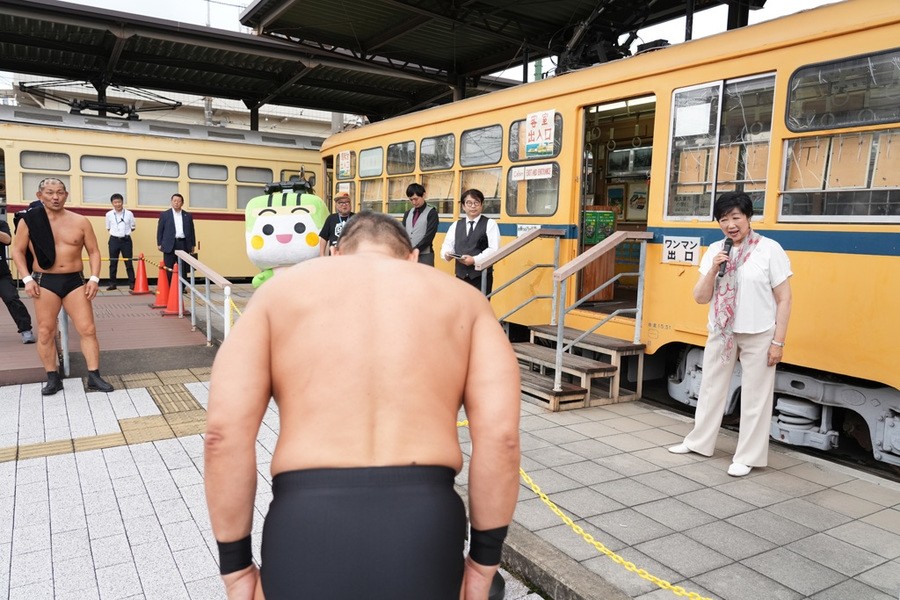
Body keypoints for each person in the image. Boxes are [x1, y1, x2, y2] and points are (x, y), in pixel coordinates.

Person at [204, 211, 521, 600]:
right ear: (411, 258)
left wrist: (236, 568)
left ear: (335, 254)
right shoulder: (466, 301)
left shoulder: (276, 295)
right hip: (425, 526)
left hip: (306, 522)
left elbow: (223, 435)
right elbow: (501, 438)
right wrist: (483, 564)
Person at [668, 191, 792, 477]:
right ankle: (699, 442)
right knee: (710, 388)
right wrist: (714, 268)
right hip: (722, 331)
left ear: (748, 217)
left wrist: (778, 341)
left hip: (759, 332)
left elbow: (784, 298)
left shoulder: (769, 249)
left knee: (756, 395)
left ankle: (747, 456)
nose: (730, 225)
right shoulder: (715, 250)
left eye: (736, 217)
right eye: (723, 219)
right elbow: (700, 297)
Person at [11, 178, 115, 395]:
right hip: (44, 281)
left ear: (66, 195)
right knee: (45, 331)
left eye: (60, 192)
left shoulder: (80, 221)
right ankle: (53, 378)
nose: (55, 197)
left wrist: (94, 279)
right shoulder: (30, 221)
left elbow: (94, 251)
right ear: (40, 195)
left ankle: (94, 376)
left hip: (74, 281)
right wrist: (27, 279)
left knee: (88, 329)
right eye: (50, 192)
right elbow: (18, 251)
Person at [440, 189, 500, 295]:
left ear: (481, 205)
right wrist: (447, 254)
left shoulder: (490, 224)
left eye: (476, 203)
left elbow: (494, 249)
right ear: (463, 206)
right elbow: (447, 245)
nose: (473, 206)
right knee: (460, 304)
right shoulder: (456, 225)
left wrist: (474, 260)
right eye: (469, 203)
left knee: (480, 305)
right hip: (461, 277)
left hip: (481, 276)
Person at [0, 218, 35, 344]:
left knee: (12, 299)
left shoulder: (1, 224)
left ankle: (26, 329)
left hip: (1, 275)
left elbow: (7, 240)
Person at [156, 193, 195, 284]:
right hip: (169, 244)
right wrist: (159, 243)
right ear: (171, 202)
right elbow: (160, 230)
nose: (176, 203)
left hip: (183, 243)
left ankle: (182, 286)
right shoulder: (165, 214)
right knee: (169, 266)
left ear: (182, 203)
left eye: (179, 201)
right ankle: (169, 286)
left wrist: (192, 244)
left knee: (183, 267)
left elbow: (192, 231)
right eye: (175, 201)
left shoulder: (187, 215)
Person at [401, 182, 438, 266]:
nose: (414, 202)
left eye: (416, 199)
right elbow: (402, 233)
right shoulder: (407, 213)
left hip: (425, 256)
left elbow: (429, 236)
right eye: (411, 200)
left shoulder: (432, 213)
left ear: (423, 195)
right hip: (409, 255)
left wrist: (416, 249)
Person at [105, 193, 136, 290]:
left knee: (128, 263)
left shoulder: (129, 213)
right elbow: (108, 227)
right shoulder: (109, 214)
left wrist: (125, 233)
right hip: (114, 240)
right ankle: (112, 284)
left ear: (122, 202)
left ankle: (132, 283)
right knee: (113, 263)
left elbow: (133, 227)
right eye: (115, 202)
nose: (117, 204)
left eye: (119, 202)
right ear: (112, 203)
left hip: (126, 240)